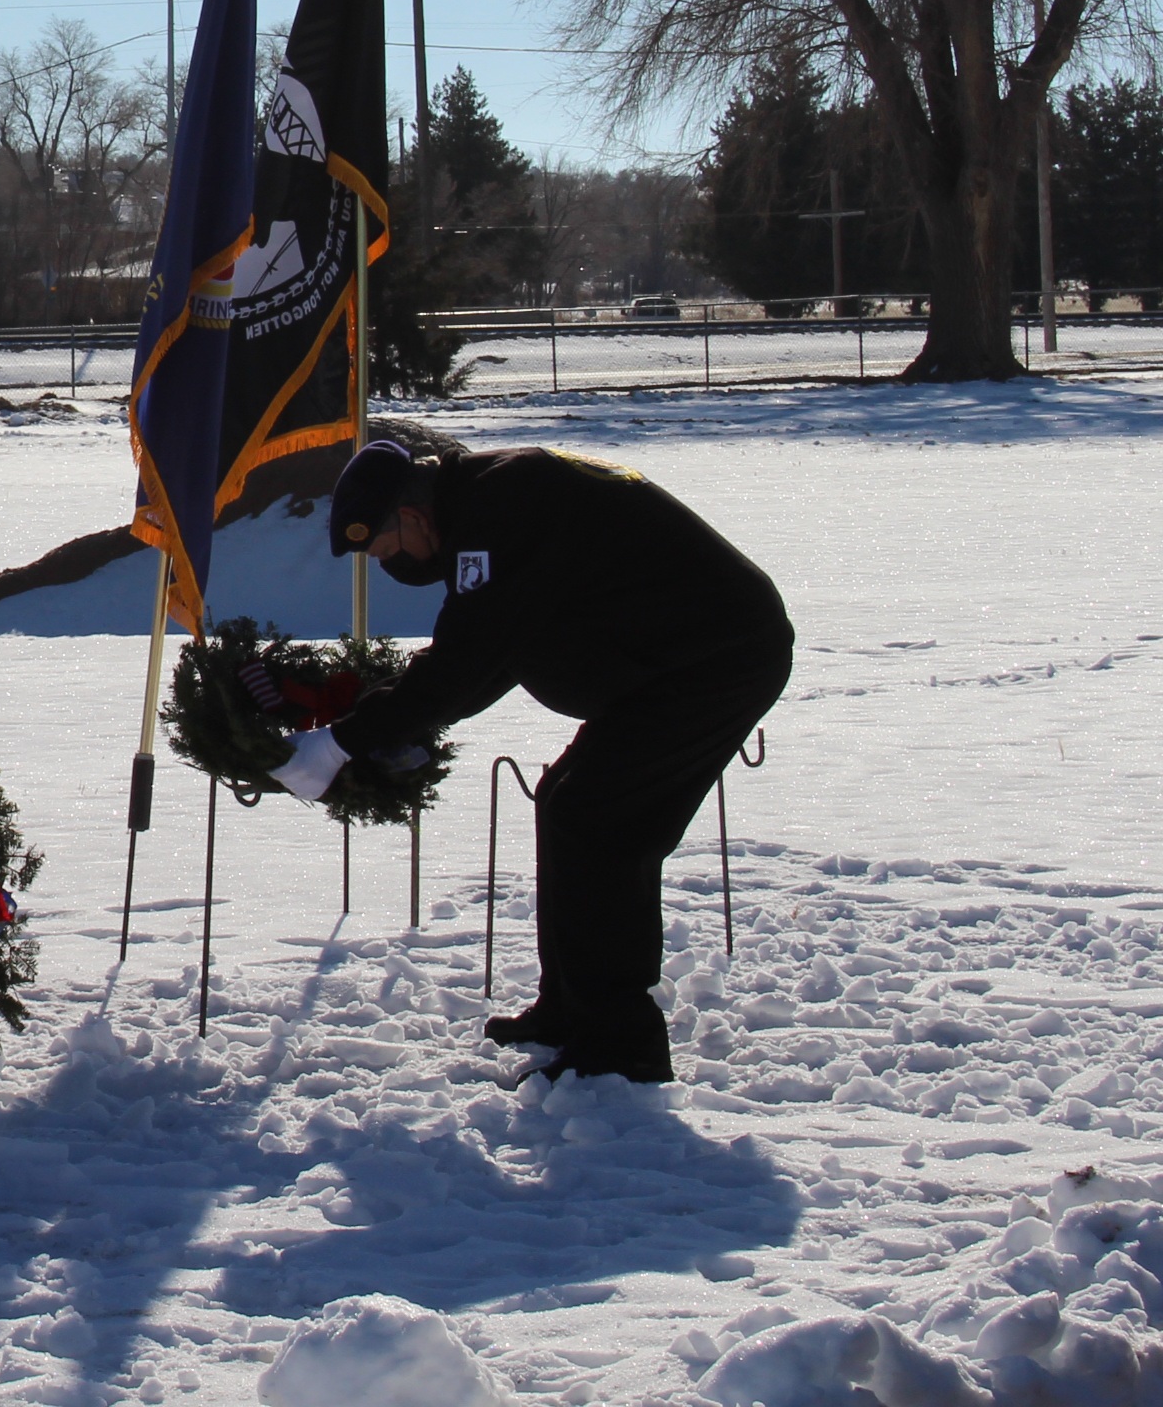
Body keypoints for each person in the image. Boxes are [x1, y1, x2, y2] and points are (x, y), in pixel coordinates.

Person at [275, 438, 791, 1083]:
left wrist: (340, 742)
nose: (391, 566)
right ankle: (571, 1010)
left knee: (597, 821)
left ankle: (620, 1044)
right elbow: (499, 649)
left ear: (411, 515)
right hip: (669, 663)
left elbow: (470, 656)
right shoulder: (486, 502)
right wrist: (392, 720)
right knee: (567, 803)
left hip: (715, 660)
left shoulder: (502, 505)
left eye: (386, 549)